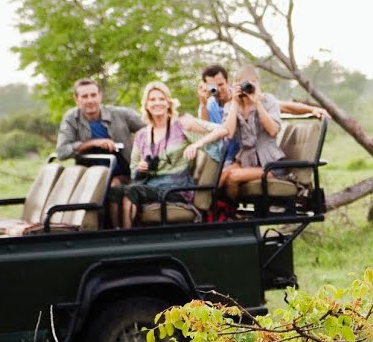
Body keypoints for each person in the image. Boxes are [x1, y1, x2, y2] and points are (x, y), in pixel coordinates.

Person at [115, 81, 229, 229]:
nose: (157, 103)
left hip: (175, 189)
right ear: (146, 105)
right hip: (149, 186)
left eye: (161, 99)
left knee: (132, 191)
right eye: (152, 99)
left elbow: (223, 130)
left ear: (168, 103)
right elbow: (134, 172)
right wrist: (141, 169)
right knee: (115, 192)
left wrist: (197, 144)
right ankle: (116, 236)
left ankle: (127, 239)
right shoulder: (141, 135)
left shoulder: (180, 126)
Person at [197, 64, 326, 165]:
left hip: (246, 153)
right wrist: (203, 104)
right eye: (213, 87)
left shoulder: (245, 94)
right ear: (206, 86)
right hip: (226, 155)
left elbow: (282, 105)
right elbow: (205, 127)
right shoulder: (210, 105)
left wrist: (311, 109)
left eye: (221, 85)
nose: (218, 90)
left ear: (228, 82)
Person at [217, 66, 288, 202]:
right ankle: (217, 214)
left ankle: (232, 215)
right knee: (222, 175)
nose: (246, 88)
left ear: (257, 84)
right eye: (242, 84)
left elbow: (273, 131)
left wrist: (257, 103)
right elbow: (229, 133)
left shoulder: (268, 101)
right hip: (246, 161)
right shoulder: (232, 105)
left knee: (233, 176)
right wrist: (234, 103)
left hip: (270, 165)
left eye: (250, 84)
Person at [55, 78, 145, 182]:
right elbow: (62, 152)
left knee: (113, 185)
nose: (90, 100)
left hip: (123, 173)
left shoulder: (120, 114)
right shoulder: (71, 118)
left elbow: (151, 129)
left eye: (93, 95)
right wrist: (93, 143)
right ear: (76, 99)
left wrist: (141, 152)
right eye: (84, 96)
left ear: (100, 96)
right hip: (89, 176)